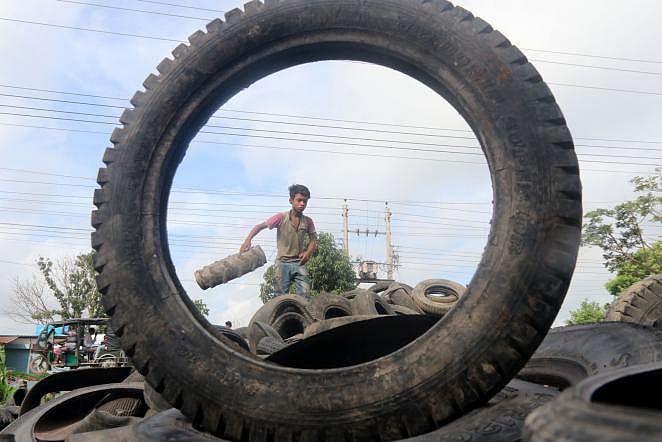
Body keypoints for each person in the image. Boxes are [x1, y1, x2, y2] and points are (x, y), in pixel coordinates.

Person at [240, 184, 317, 297]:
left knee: (305, 294)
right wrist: (247, 240)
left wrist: (308, 253)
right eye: (299, 200)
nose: (302, 204)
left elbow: (314, 240)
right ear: (291, 200)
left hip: (298, 262)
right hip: (282, 263)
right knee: (280, 298)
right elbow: (260, 226)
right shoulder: (281, 217)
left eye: (305, 201)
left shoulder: (308, 221)